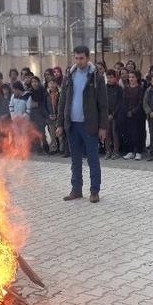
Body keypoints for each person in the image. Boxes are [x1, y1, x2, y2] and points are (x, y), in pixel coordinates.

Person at [56, 45, 109, 204]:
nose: (79, 61)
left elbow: (103, 105)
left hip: (90, 125)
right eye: (76, 58)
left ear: (88, 58)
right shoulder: (69, 76)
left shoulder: (96, 77)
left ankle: (94, 191)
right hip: (72, 125)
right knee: (75, 160)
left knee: (93, 159)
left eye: (82, 58)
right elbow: (62, 101)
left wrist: (103, 127)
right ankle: (76, 190)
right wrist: (60, 123)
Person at [121, 71, 145, 160]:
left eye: (133, 77)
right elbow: (123, 101)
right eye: (130, 77)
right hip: (127, 114)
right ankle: (130, 151)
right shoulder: (126, 89)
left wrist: (133, 111)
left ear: (137, 78)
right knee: (129, 133)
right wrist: (127, 111)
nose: (131, 79)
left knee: (137, 133)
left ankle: (138, 151)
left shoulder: (140, 89)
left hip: (137, 115)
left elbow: (140, 102)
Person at [28, 76, 50, 154]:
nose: (34, 83)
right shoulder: (30, 92)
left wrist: (38, 104)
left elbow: (44, 103)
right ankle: (38, 148)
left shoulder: (43, 91)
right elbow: (28, 104)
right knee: (35, 131)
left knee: (42, 132)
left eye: (36, 81)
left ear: (39, 82)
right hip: (33, 115)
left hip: (41, 114)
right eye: (33, 82)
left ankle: (45, 146)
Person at [104, 70, 123, 159]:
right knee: (107, 134)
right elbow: (102, 102)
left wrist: (113, 114)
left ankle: (116, 151)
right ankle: (108, 151)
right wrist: (107, 113)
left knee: (115, 133)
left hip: (116, 115)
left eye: (111, 77)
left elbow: (120, 103)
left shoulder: (119, 89)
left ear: (115, 78)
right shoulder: (104, 88)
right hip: (106, 115)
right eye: (108, 77)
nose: (109, 79)